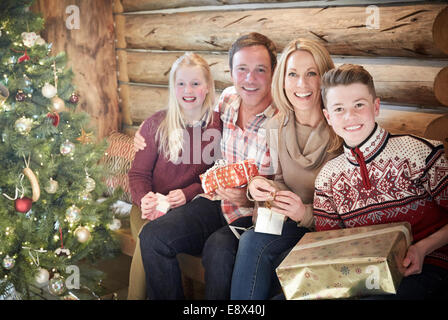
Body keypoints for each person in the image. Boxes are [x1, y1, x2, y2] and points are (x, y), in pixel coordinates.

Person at [135, 32, 278, 299]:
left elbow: (282, 186)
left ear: (273, 73)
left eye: (260, 70)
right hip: (213, 202)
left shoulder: (280, 121)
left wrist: (246, 196)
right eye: (242, 69)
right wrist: (147, 128)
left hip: (251, 216)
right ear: (232, 72)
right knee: (153, 237)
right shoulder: (227, 101)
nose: (250, 78)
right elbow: (184, 110)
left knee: (218, 251)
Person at [314, 63, 448, 299]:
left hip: (429, 266)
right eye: (338, 109)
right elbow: (332, 249)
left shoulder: (418, 152)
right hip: (363, 278)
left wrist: (422, 248)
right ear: (328, 116)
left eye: (359, 105)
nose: (350, 116)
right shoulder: (327, 179)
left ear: (376, 106)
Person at [230, 38, 342, 300]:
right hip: (292, 223)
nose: (301, 84)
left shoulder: (341, 128)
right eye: (292, 74)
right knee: (249, 241)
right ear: (282, 80)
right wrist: (263, 187)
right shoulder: (275, 126)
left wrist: (305, 213)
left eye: (311, 74)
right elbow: (280, 180)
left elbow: (350, 213)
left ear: (324, 78)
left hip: (329, 229)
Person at [126, 52, 222, 300]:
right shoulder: (156, 124)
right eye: (181, 83)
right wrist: (144, 198)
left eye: (195, 83)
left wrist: (189, 193)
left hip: (187, 210)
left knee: (154, 238)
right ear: (173, 87)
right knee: (147, 235)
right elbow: (138, 174)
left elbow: (218, 174)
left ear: (208, 87)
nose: (187, 90)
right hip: (149, 206)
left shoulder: (218, 125)